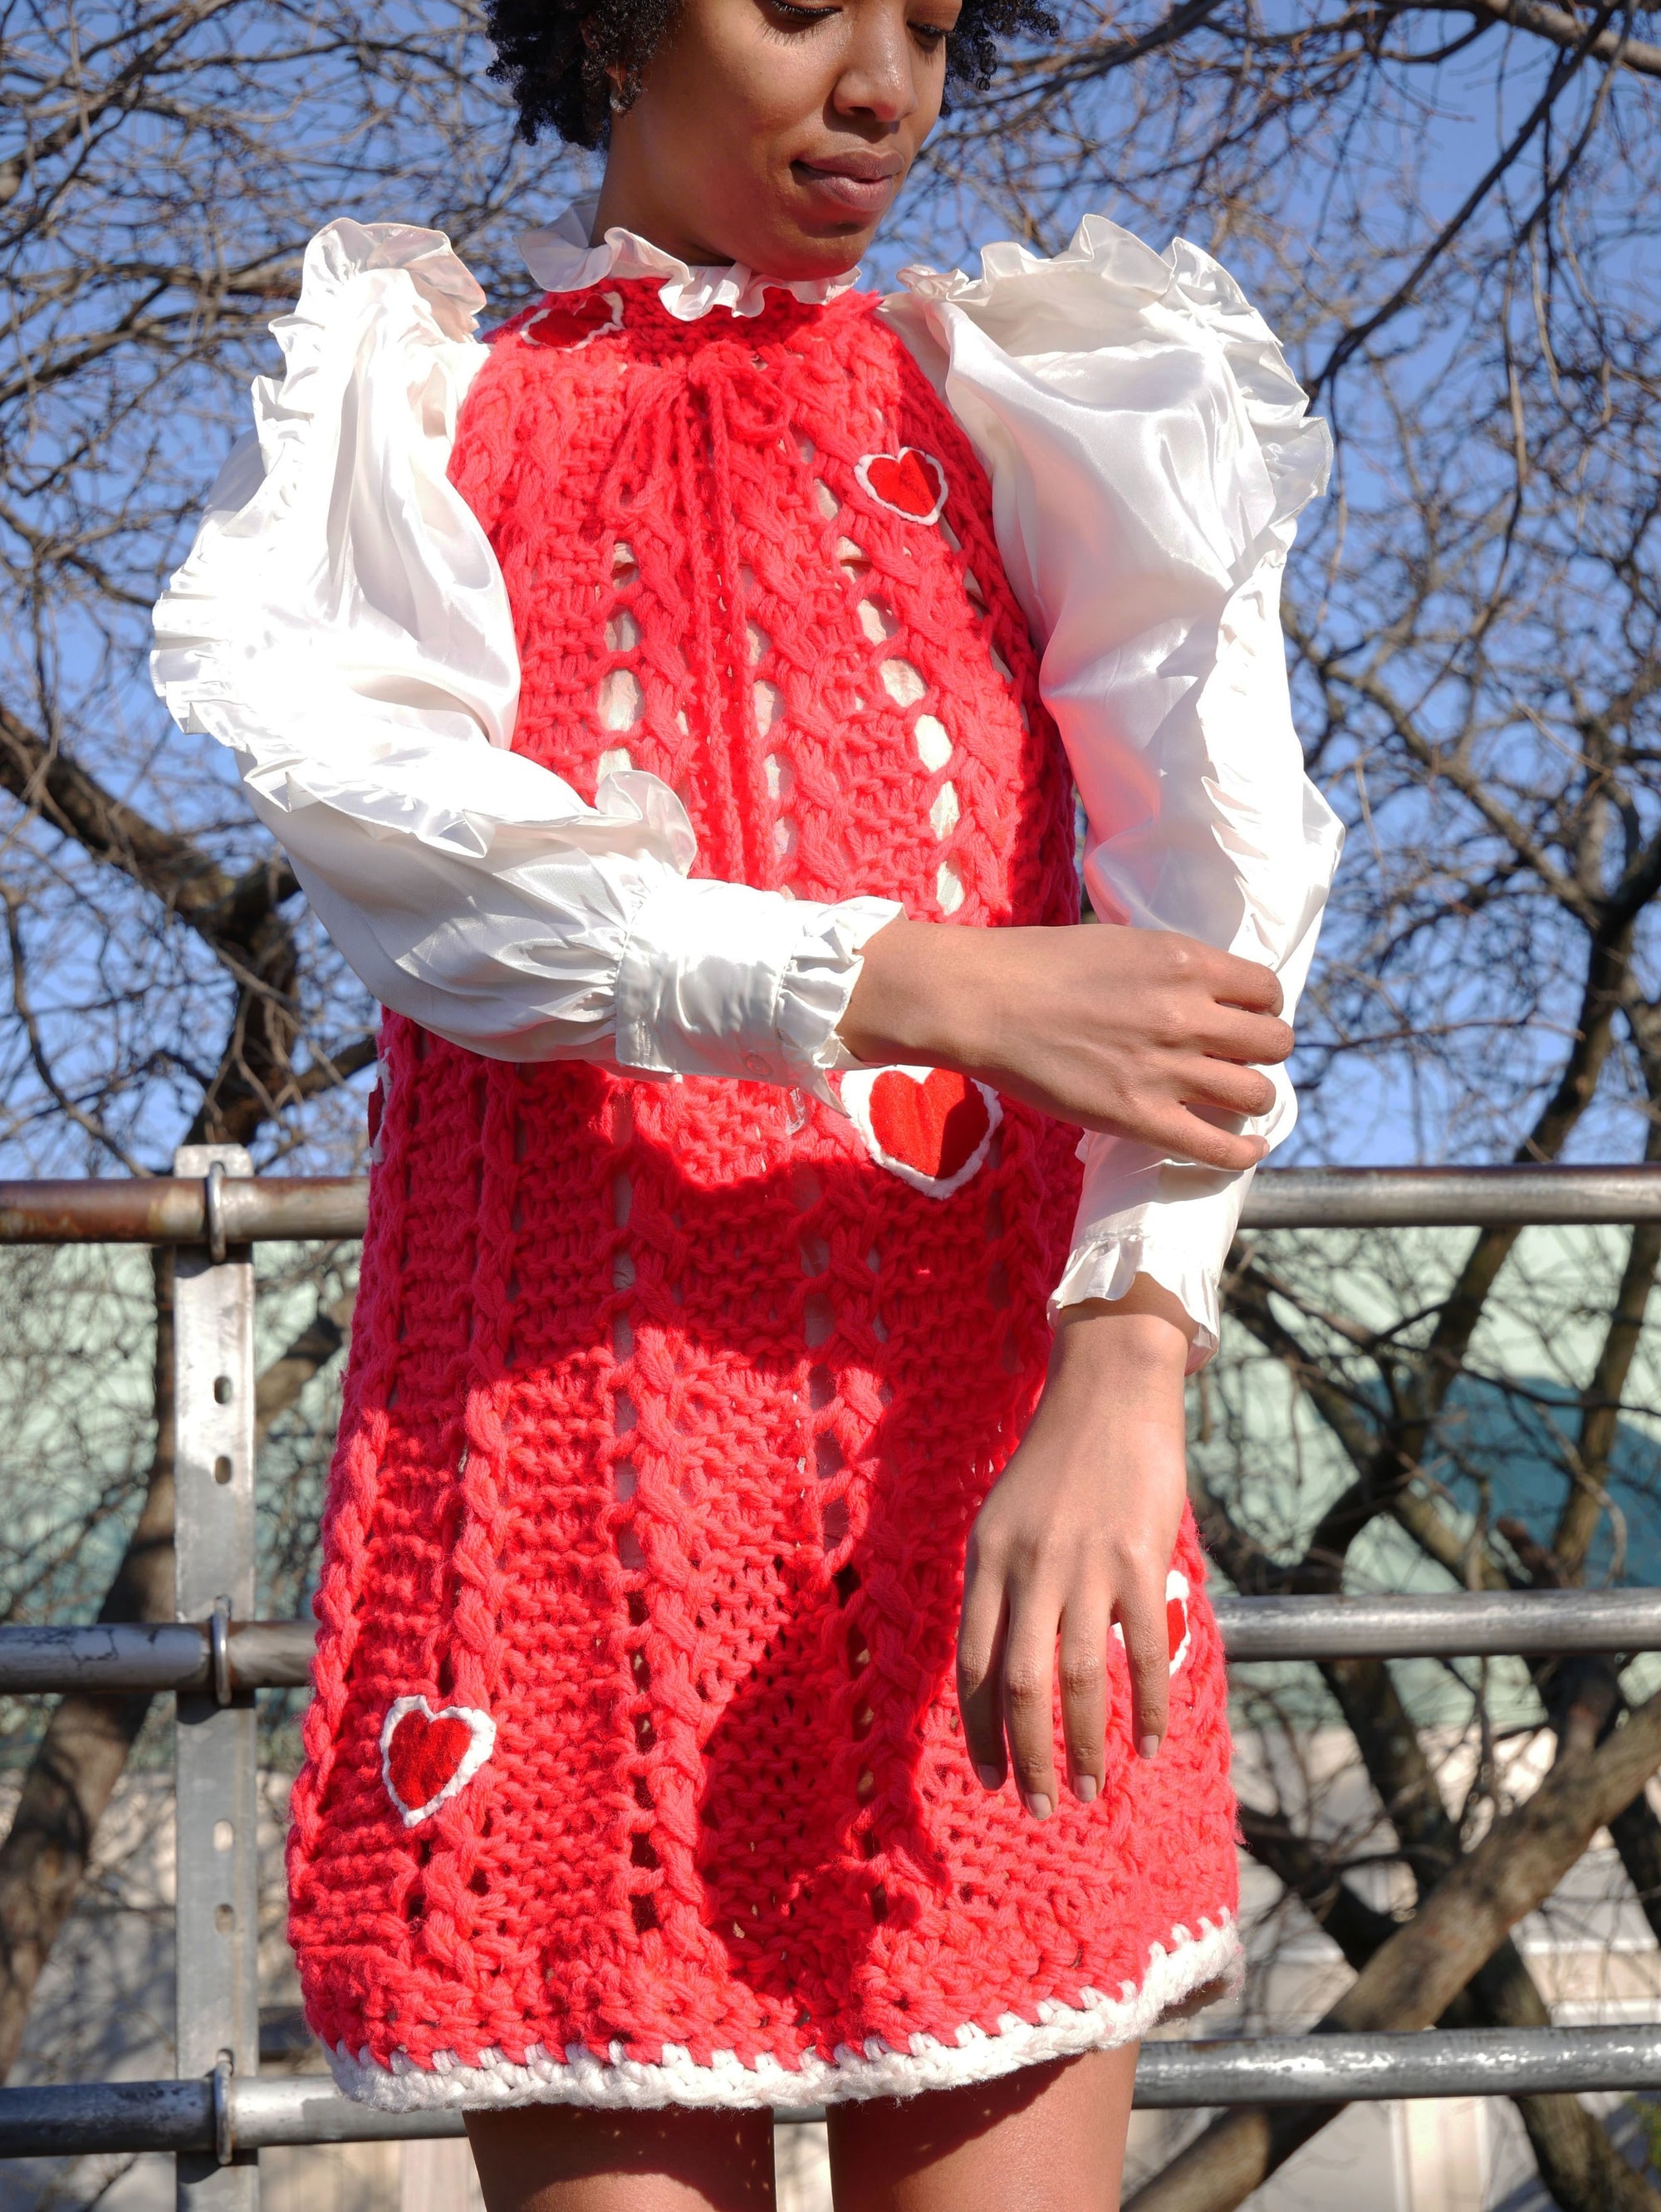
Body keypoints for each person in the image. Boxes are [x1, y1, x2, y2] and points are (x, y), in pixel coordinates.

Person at [152, 0, 1340, 2202]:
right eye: (803, 9)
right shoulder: (424, 427)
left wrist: (1129, 1364)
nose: (883, 82)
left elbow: (1216, 910)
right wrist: (920, 983)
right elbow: (446, 900)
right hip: (559, 1535)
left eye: (935, 21)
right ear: (611, 15)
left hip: (991, 1508)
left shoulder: (1031, 408)